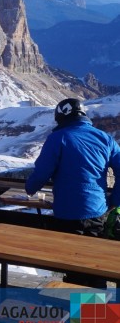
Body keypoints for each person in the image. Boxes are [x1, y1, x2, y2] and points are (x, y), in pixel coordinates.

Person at [25, 98, 120, 286]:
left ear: (60, 117)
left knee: (74, 267)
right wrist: (114, 201)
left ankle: (81, 303)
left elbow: (41, 173)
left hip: (67, 212)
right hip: (97, 211)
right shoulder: (105, 138)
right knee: (93, 265)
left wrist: (30, 188)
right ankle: (94, 303)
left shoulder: (58, 138)